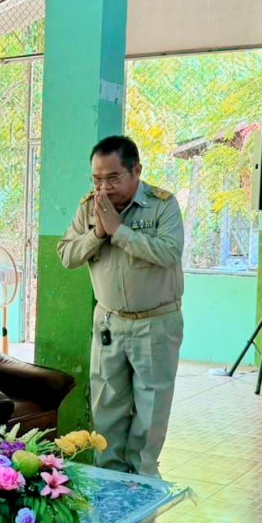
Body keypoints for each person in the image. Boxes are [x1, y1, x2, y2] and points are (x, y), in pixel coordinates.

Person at [57, 136, 185, 478]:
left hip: (155, 323)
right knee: (106, 406)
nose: (104, 187)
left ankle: (143, 483)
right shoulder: (88, 208)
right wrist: (97, 233)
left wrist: (120, 231)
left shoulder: (162, 205)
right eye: (97, 179)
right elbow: (66, 255)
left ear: (136, 171)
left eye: (113, 178)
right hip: (109, 324)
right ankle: (109, 482)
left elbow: (170, 253)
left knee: (151, 409)